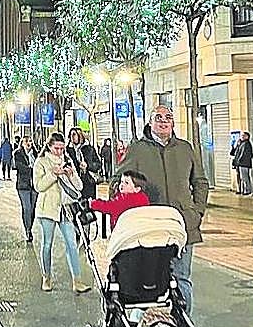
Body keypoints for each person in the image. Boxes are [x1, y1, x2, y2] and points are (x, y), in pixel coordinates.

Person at [116, 106, 209, 314]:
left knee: (182, 279)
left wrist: (196, 213)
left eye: (168, 117)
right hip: (150, 228)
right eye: (158, 118)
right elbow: (118, 182)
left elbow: (201, 183)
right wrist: (128, 200)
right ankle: (138, 325)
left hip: (182, 226)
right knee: (149, 280)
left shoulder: (185, 149)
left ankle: (185, 326)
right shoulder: (138, 149)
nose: (164, 121)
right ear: (150, 122)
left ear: (173, 123)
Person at [33, 132, 90, 294]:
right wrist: (53, 174)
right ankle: (46, 277)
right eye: (56, 148)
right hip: (48, 209)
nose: (59, 151)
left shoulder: (68, 160)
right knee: (47, 244)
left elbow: (78, 187)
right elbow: (38, 186)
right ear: (49, 147)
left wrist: (71, 175)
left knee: (72, 244)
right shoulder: (42, 162)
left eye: (62, 148)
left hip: (66, 208)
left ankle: (77, 280)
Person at [86, 169, 150, 225]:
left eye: (126, 183)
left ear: (137, 189)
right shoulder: (143, 197)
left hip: (124, 230)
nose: (122, 184)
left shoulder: (126, 199)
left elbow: (109, 206)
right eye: (122, 181)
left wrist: (93, 204)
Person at [13, 135, 38, 242]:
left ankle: (30, 227)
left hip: (34, 185)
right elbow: (19, 167)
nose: (29, 143)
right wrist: (32, 169)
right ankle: (27, 230)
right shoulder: (18, 154)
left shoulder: (36, 154)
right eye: (26, 141)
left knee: (32, 209)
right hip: (23, 185)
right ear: (22, 143)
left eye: (30, 141)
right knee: (26, 208)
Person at [67, 127, 102, 197]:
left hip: (88, 182)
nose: (72, 137)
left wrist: (88, 165)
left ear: (80, 136)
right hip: (74, 182)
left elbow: (98, 164)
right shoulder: (68, 150)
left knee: (89, 204)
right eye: (70, 135)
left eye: (74, 134)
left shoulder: (89, 149)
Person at [231, 131, 253, 195]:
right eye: (241, 136)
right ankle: (240, 190)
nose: (241, 137)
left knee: (244, 177)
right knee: (239, 178)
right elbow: (234, 153)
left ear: (247, 137)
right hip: (238, 164)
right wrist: (235, 145)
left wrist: (238, 161)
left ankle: (247, 190)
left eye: (243, 136)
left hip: (244, 164)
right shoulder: (240, 144)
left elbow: (244, 154)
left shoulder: (247, 144)